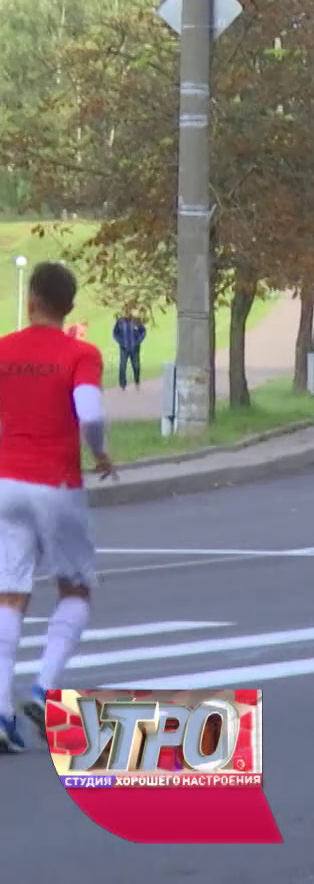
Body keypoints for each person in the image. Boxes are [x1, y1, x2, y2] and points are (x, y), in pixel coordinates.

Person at [0, 263, 115, 753]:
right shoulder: (80, 353)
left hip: (5, 483)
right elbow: (89, 412)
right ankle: (45, 688)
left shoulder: (3, 349)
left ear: (30, 302)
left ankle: (2, 711)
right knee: (75, 587)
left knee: (9, 593)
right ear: (69, 308)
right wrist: (100, 453)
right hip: (57, 483)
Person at [111, 311, 145, 390]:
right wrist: (120, 342)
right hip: (124, 348)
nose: (127, 314)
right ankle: (122, 384)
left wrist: (138, 341)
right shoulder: (120, 322)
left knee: (136, 366)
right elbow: (115, 333)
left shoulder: (136, 321)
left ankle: (137, 381)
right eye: (126, 312)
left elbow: (143, 331)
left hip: (135, 348)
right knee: (123, 366)